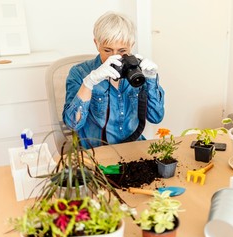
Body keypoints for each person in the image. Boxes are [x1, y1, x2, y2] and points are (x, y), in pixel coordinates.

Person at [63, 11, 165, 149]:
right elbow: (73, 124)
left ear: (131, 44)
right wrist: (89, 83)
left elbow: (156, 117)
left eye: (122, 51)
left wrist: (151, 79)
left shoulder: (139, 71)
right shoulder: (79, 73)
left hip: (133, 148)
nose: (114, 57)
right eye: (107, 50)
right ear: (96, 43)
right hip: (98, 153)